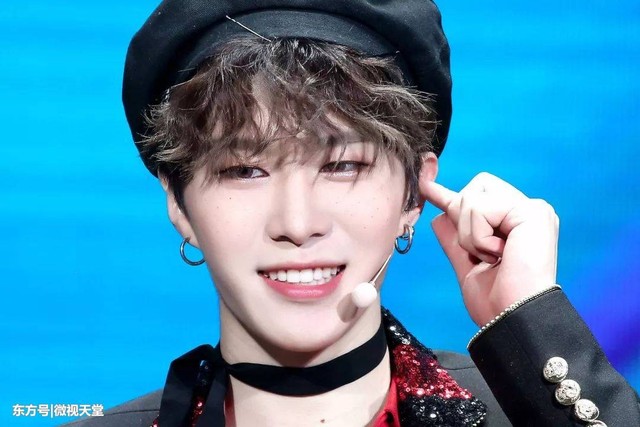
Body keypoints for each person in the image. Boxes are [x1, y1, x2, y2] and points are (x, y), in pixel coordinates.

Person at [66, 0, 640, 426]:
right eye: (245, 170)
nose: (298, 224)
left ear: (414, 194)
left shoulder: (527, 414)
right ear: (178, 202)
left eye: (342, 165)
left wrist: (532, 327)